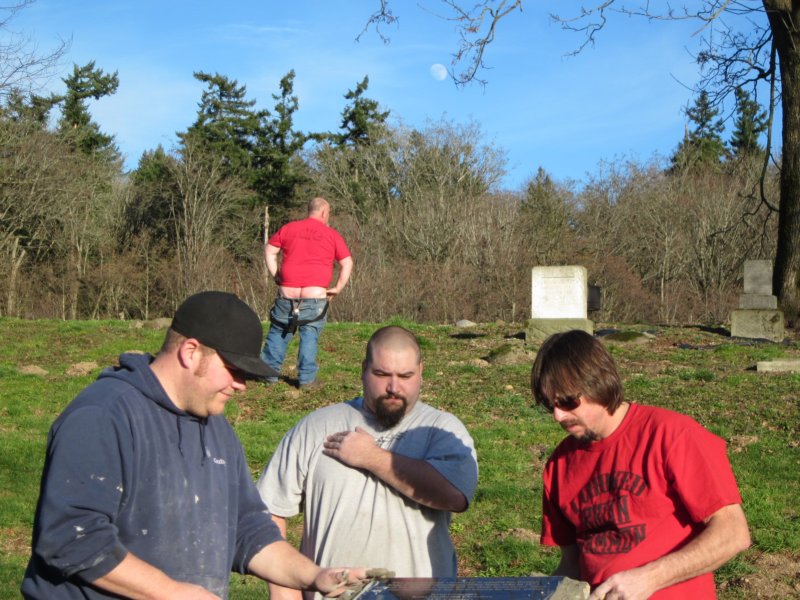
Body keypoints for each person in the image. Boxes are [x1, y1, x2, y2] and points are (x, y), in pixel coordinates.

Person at [22, 291, 368, 599]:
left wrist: (315, 576)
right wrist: (171, 593)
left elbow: (248, 530)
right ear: (190, 352)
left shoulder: (217, 429)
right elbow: (71, 537)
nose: (242, 385)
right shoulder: (103, 415)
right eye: (234, 369)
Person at [257, 325, 479, 600]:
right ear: (364, 369)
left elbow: (455, 496)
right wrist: (285, 595)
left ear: (421, 371)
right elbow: (268, 510)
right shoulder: (316, 427)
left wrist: (371, 457)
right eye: (382, 374)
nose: (393, 387)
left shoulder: (441, 430)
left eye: (405, 376)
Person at [530, 330, 751, 600]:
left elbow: (733, 532)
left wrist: (650, 578)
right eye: (549, 405)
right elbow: (572, 564)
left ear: (597, 381)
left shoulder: (671, 435)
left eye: (567, 401)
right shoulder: (560, 465)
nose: (558, 415)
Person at [261, 196, 353, 388]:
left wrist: (276, 274)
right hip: (315, 296)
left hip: (287, 293)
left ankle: (268, 374)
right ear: (324, 213)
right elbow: (347, 263)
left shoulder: (289, 228)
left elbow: (269, 250)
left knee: (279, 331)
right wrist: (337, 288)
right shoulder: (331, 234)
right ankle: (307, 379)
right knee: (309, 334)